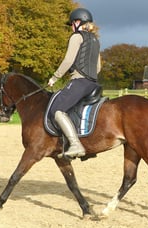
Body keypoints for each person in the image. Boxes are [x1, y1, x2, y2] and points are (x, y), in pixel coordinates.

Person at [47, 8, 101, 158]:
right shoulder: (95, 40)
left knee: (57, 110)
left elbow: (68, 60)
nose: (71, 27)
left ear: (77, 22)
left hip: (80, 82)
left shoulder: (76, 37)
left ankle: (76, 144)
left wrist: (55, 77)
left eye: (72, 24)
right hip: (93, 83)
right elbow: (98, 67)